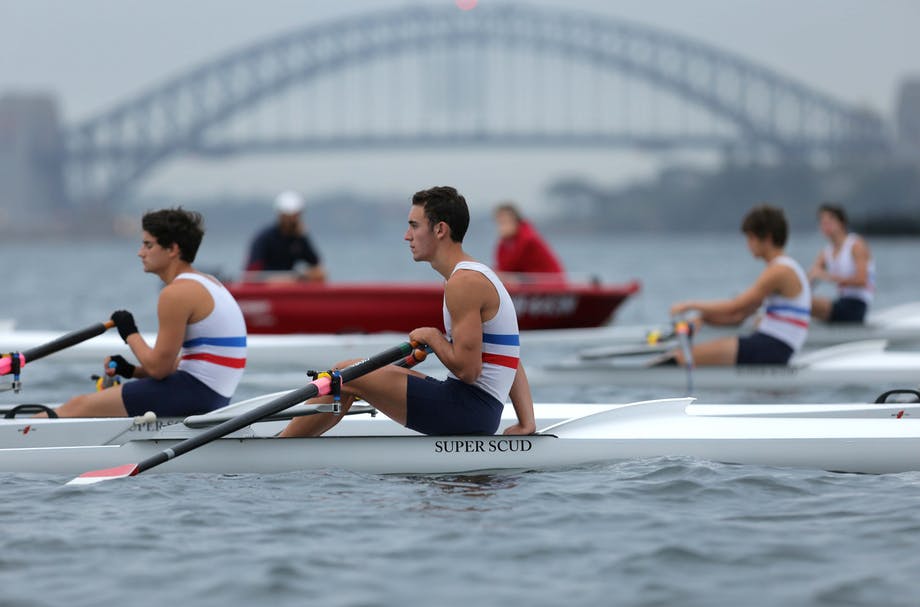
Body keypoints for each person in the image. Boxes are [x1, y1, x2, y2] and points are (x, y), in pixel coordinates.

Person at [280, 186, 536, 437]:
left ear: (440, 230)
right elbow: (512, 356)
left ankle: (281, 448)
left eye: (414, 225)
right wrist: (527, 423)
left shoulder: (464, 283)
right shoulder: (476, 274)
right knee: (349, 376)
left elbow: (469, 372)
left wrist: (433, 337)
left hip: (468, 410)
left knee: (344, 373)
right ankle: (296, 443)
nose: (406, 235)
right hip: (477, 408)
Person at [45, 208, 247, 417]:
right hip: (212, 395)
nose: (140, 252)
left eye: (148, 245)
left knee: (77, 406)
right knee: (82, 405)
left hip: (195, 393)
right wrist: (132, 371)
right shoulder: (209, 282)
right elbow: (177, 364)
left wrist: (129, 332)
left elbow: (159, 369)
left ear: (172, 249)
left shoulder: (176, 293)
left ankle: (19, 435)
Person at [667, 204, 811, 366]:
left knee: (677, 359)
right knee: (686, 357)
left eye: (751, 238)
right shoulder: (782, 267)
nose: (748, 245)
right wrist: (704, 319)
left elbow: (735, 306)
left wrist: (688, 305)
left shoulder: (780, 271)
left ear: (768, 238)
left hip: (773, 347)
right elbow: (738, 316)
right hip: (772, 345)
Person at [807, 203, 875, 323]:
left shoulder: (856, 245)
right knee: (796, 300)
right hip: (841, 302)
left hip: (857, 306)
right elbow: (811, 278)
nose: (825, 226)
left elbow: (862, 280)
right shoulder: (826, 252)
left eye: (829, 222)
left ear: (841, 223)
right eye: (822, 223)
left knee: (805, 302)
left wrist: (827, 276)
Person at [244, 190, 326, 282]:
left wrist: (304, 237)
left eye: (295, 216)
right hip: (266, 290)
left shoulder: (299, 238)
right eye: (289, 217)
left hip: (289, 290)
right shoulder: (264, 238)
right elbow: (250, 276)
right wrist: (290, 279)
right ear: (281, 216)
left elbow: (318, 269)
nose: (292, 221)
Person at [493, 202, 565, 281]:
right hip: (531, 281)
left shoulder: (527, 239)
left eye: (505, 222)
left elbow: (509, 266)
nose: (501, 228)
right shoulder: (506, 242)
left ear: (516, 221)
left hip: (549, 282)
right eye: (499, 223)